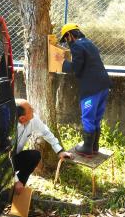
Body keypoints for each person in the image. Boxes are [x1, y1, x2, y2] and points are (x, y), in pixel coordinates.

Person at [56, 23, 112, 158]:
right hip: (104, 85)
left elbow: (76, 69)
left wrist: (61, 62)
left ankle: (87, 148)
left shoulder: (76, 46)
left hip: (91, 88)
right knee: (96, 117)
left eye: (65, 39)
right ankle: (94, 146)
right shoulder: (89, 43)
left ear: (69, 35)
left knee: (88, 117)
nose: (66, 42)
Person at [13, 99, 73, 194]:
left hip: (14, 157)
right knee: (13, 180)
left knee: (34, 156)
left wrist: (59, 151)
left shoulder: (33, 119)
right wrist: (15, 180)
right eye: (30, 109)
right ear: (22, 118)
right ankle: (15, 184)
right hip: (1, 163)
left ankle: (18, 190)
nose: (33, 109)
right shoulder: (9, 128)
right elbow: (4, 156)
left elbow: (45, 132)